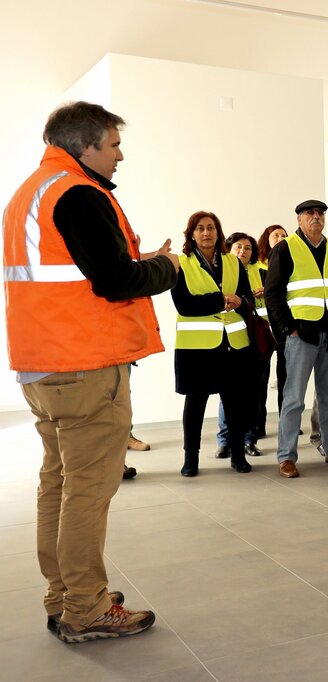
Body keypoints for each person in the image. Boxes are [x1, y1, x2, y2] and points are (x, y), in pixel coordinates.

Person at [4, 101, 177, 641]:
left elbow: (81, 270)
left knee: (58, 482)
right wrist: (163, 268)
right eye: (113, 144)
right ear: (85, 147)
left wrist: (133, 263)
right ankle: (86, 607)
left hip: (42, 364)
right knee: (88, 490)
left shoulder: (33, 190)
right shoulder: (79, 194)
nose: (120, 155)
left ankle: (63, 593)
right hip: (84, 367)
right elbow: (114, 280)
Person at [265, 199, 328, 479]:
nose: (316, 217)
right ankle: (286, 457)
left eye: (320, 213)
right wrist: (288, 328)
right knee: (294, 398)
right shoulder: (285, 248)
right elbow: (273, 294)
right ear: (299, 220)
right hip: (301, 334)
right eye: (310, 213)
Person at [171, 212, 257, 477]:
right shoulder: (181, 263)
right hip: (196, 347)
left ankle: (238, 456)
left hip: (232, 345)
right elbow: (184, 304)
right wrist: (220, 300)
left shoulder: (233, 262)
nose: (206, 232)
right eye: (200, 228)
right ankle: (190, 460)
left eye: (211, 228)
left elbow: (246, 299)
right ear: (192, 234)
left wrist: (241, 302)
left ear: (218, 233)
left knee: (234, 402)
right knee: (195, 405)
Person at [212, 231, 265, 459]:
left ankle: (249, 440)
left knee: (253, 392)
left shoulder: (260, 272)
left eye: (248, 248)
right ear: (230, 249)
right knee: (228, 393)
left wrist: (261, 294)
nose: (243, 251)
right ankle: (225, 441)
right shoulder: (222, 270)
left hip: (256, 339)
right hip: (229, 340)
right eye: (238, 247)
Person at [256, 224, 289, 427]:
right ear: (266, 239)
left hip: (284, 327)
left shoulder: (290, 265)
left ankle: (286, 421)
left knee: (286, 378)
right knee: (261, 378)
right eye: (275, 235)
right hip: (263, 329)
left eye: (284, 235)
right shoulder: (256, 267)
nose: (280, 238)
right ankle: (258, 424)